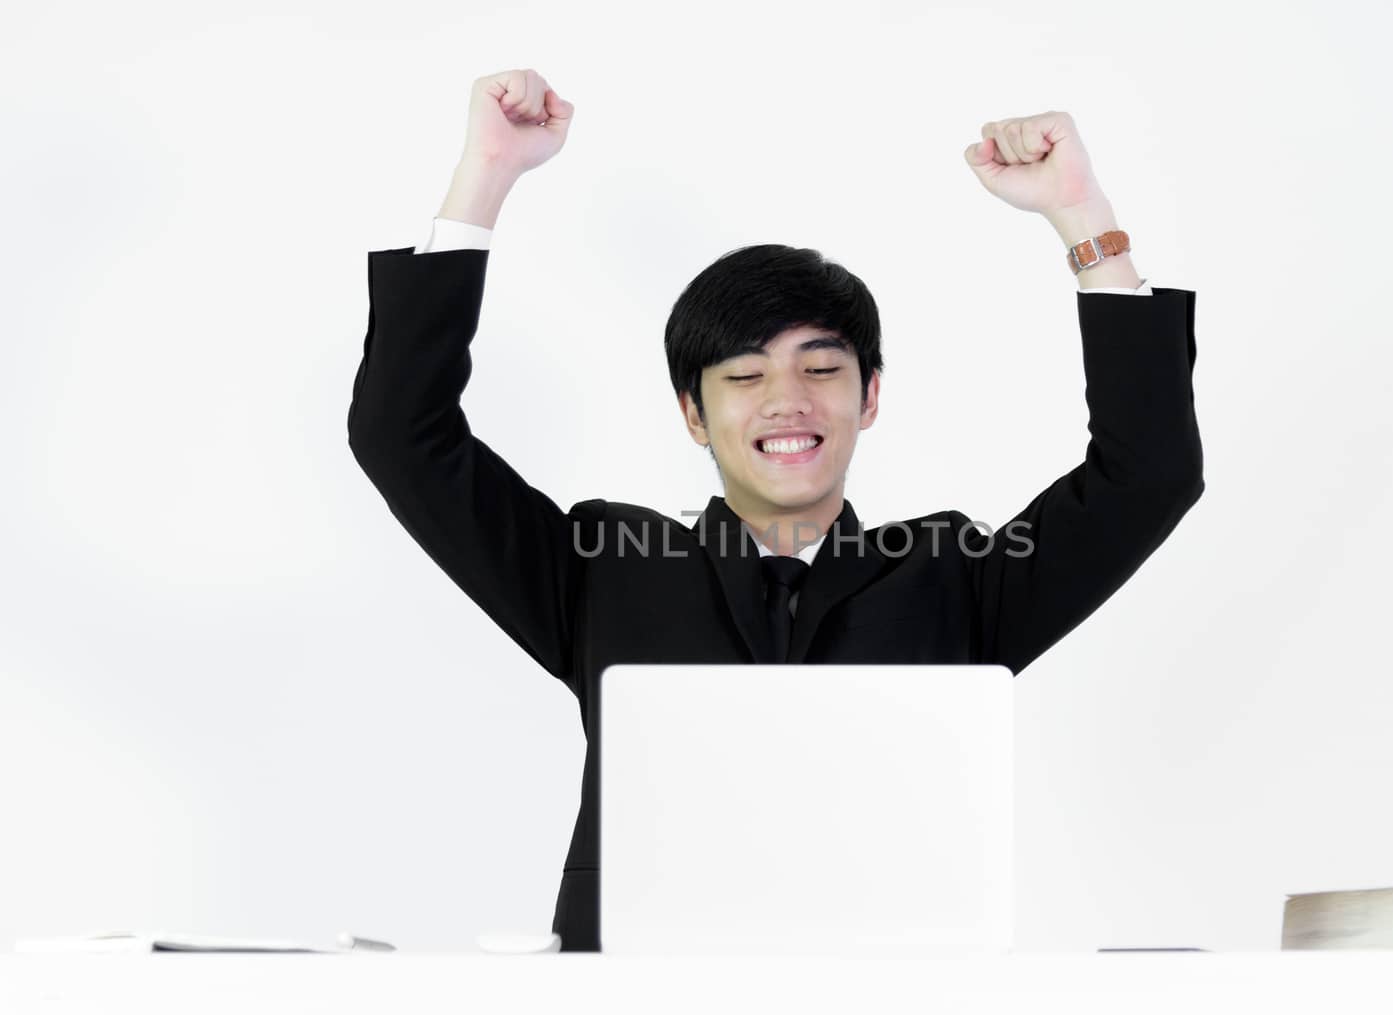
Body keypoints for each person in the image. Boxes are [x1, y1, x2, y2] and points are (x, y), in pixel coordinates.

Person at [347, 68, 1205, 952]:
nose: (787, 401)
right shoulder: (602, 571)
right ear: (693, 413)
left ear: (870, 396)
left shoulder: (956, 579)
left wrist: (1083, 217)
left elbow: (1149, 473)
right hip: (634, 1013)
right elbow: (404, 437)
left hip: (902, 1008)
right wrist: (483, 178)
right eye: (746, 376)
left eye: (822, 370)